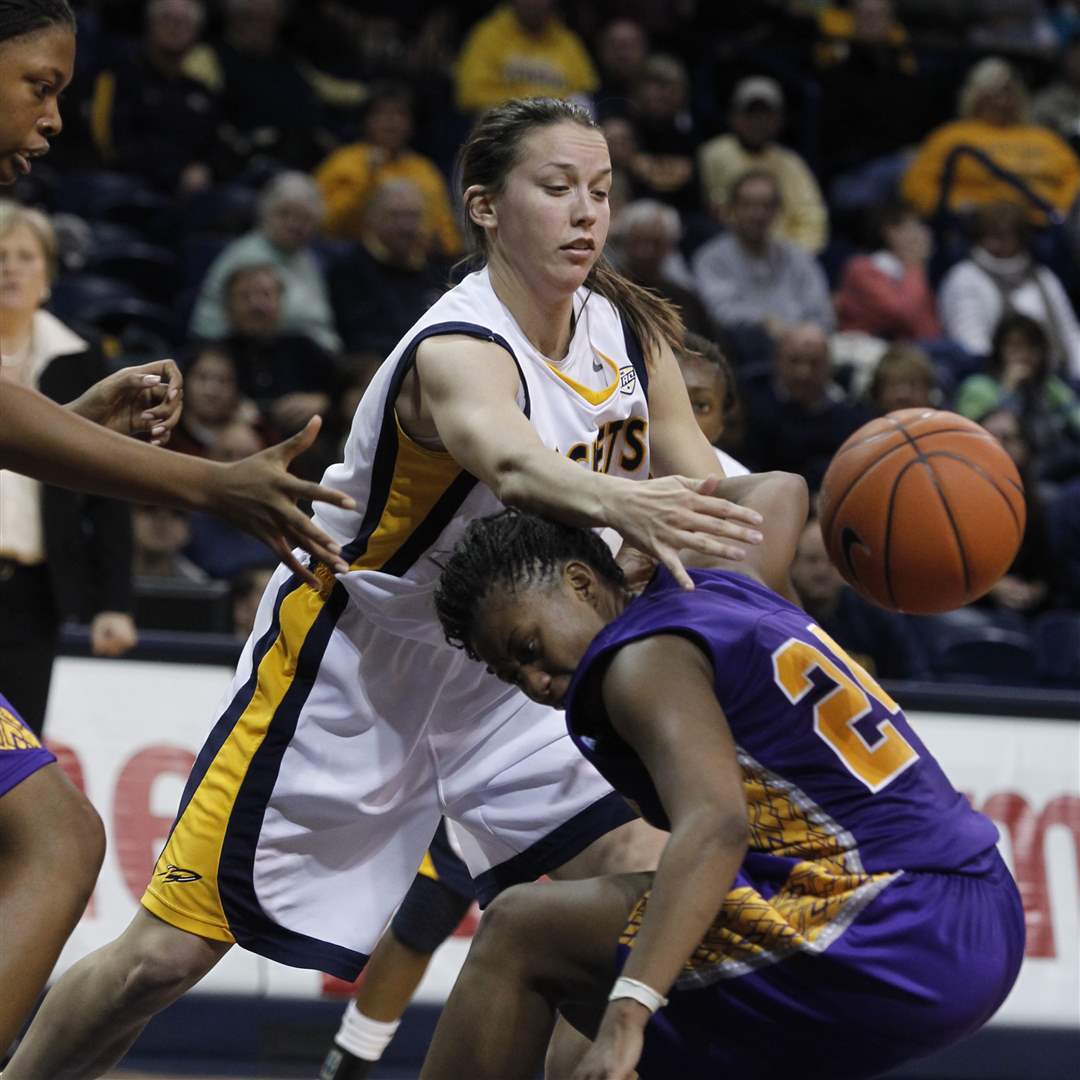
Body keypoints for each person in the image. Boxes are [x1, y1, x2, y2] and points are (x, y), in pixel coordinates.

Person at [3, 97, 765, 1080]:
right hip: (358, 671)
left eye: (603, 191)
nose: (588, 213)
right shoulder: (458, 346)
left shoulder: (627, 327)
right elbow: (513, 461)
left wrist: (730, 536)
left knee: (642, 883)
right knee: (165, 959)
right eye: (558, 188)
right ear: (485, 207)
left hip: (515, 673)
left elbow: (704, 481)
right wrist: (634, 504)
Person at [422, 488, 1023, 1080]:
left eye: (527, 647)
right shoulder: (721, 575)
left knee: (522, 930)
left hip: (891, 921)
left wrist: (633, 1009)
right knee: (580, 1028)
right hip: (982, 909)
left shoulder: (637, 663)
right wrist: (641, 524)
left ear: (581, 583)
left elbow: (715, 824)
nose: (533, 680)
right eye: (510, 673)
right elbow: (779, 489)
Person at [1, 200, 136, 734]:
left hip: (32, 594)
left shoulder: (79, 361)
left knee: (16, 762)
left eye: (24, 256)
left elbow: (108, 486)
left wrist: (115, 603)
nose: (10, 267)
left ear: (48, 276)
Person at [902, 57, 1080, 223]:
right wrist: (953, 206)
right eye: (994, 93)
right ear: (976, 96)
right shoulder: (952, 136)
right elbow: (916, 185)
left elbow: (1074, 176)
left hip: (1040, 225)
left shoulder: (1044, 138)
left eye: (1009, 92)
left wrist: (1060, 208)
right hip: (973, 226)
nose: (1002, 101)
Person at [190, 171, 341, 352]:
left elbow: (321, 319)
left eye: (305, 218)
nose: (295, 224)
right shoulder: (247, 256)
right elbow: (288, 316)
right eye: (285, 214)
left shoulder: (307, 259)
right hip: (228, 352)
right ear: (265, 213)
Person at [314, 83, 462, 258]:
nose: (391, 122)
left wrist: (442, 244)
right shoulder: (343, 162)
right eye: (381, 114)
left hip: (418, 261)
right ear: (367, 120)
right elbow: (325, 225)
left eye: (400, 114)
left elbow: (448, 237)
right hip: (354, 258)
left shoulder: (424, 170)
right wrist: (367, 180)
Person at [86, 0, 219, 195]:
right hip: (128, 183)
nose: (175, 27)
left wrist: (206, 169)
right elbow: (108, 141)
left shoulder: (200, 92)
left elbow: (214, 146)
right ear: (149, 23)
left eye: (184, 22)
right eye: (167, 19)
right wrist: (175, 172)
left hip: (189, 194)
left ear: (197, 33)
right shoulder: (118, 75)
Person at [692, 170, 834, 350]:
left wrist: (805, 333)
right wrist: (764, 323)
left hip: (803, 346)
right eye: (748, 205)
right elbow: (720, 311)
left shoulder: (797, 256)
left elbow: (820, 310)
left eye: (766, 206)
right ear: (732, 208)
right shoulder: (711, 258)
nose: (758, 214)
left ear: (777, 211)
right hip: (743, 351)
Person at [937, 202, 1080, 377]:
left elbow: (1070, 333)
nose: (1000, 243)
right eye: (994, 235)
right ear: (980, 236)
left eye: (1008, 235)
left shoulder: (1042, 276)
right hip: (995, 379)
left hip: (1054, 379)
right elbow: (971, 346)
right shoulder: (964, 277)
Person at [698, 77, 828, 254]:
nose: (758, 121)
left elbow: (812, 217)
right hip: (730, 251)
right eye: (751, 113)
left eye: (766, 115)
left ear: (779, 120)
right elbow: (714, 209)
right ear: (734, 116)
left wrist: (797, 257)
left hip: (784, 255)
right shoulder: (713, 154)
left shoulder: (791, 163)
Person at [327, 179, 449, 363]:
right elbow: (358, 340)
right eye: (395, 216)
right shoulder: (348, 270)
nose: (406, 226)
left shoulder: (436, 269)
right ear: (372, 218)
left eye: (413, 216)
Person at [790, 518, 928, 679]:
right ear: (792, 563)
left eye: (832, 562)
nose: (822, 572)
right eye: (812, 560)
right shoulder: (778, 615)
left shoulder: (875, 616)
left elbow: (914, 679)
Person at [739, 323, 871, 488]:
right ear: (778, 360)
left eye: (814, 363)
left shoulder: (851, 415)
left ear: (829, 365)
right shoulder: (750, 402)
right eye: (794, 361)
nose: (803, 372)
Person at [954, 313, 1080, 481]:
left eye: (1032, 347)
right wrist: (1009, 389)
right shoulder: (978, 387)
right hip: (1003, 473)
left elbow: (1076, 419)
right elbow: (976, 440)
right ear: (999, 350)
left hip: (1055, 462)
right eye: (1016, 346)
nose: (1024, 355)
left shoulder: (1050, 386)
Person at [454, 0, 597, 113]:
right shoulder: (487, 35)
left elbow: (584, 95)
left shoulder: (568, 41)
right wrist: (530, 107)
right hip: (504, 127)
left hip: (555, 127)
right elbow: (470, 95)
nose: (534, 2)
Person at [834, 200, 940, 341]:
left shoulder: (918, 271)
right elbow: (902, 313)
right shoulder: (862, 269)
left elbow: (929, 330)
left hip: (914, 349)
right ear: (890, 231)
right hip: (870, 351)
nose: (922, 235)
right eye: (912, 227)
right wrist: (914, 267)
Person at [607, 199, 709, 336]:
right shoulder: (605, 289)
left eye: (656, 243)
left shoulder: (684, 299)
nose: (645, 251)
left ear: (669, 247)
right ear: (625, 241)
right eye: (638, 241)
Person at [676, 332, 748, 477]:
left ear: (720, 426)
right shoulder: (620, 466)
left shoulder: (737, 479)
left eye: (700, 406)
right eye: (670, 397)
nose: (684, 415)